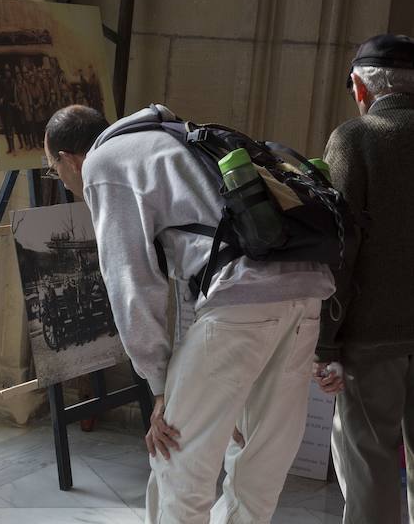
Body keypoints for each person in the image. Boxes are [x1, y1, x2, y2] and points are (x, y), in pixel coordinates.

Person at [44, 104, 335, 523]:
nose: (64, 181)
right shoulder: (175, 136)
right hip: (305, 296)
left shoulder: (103, 163)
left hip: (241, 300)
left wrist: (161, 387)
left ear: (70, 159)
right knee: (260, 460)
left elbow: (131, 283)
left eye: (54, 170)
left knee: (177, 460)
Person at [314, 34, 414, 523]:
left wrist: (324, 340)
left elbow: (339, 246)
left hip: (376, 335)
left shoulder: (358, 138)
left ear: (360, 87)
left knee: (370, 461)